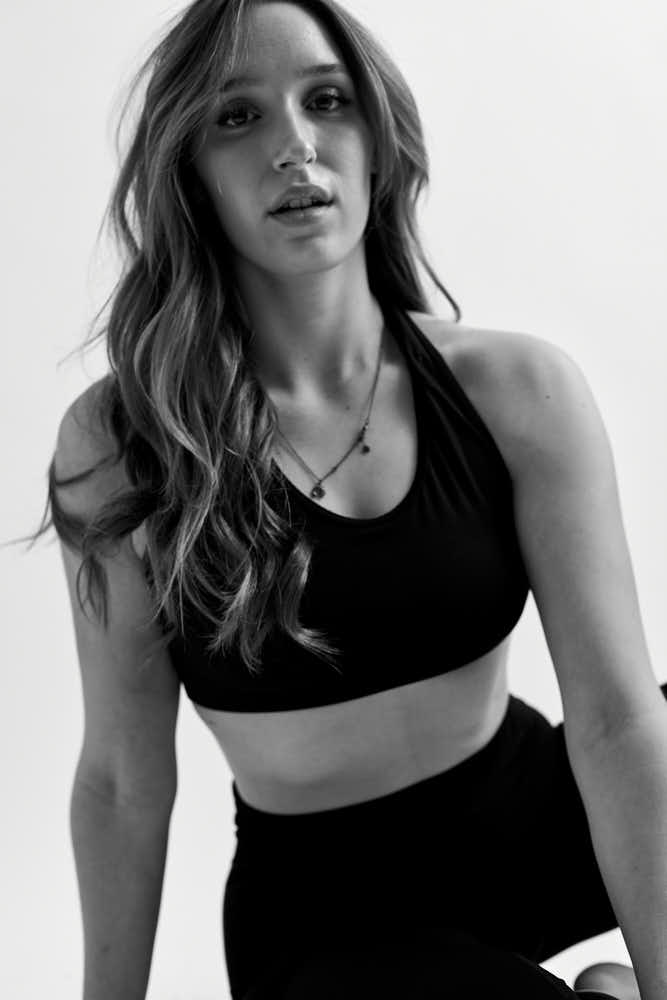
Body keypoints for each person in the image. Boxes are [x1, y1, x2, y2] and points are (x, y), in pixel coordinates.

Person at [29, 0, 667, 997]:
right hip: (327, 916)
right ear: (189, 172)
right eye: (237, 116)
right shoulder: (123, 442)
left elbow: (618, 721)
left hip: (537, 817)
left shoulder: (517, 390)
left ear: (377, 141)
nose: (294, 144)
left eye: (326, 100)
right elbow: (120, 780)